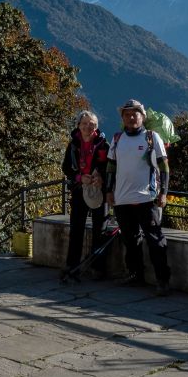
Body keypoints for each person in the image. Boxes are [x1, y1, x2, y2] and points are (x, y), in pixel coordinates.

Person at [106, 99, 171, 296]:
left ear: (143, 117)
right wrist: (109, 191)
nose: (131, 117)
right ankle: (136, 275)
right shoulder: (117, 139)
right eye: (127, 114)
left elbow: (164, 166)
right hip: (122, 199)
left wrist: (164, 193)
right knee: (130, 240)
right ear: (122, 118)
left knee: (155, 240)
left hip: (147, 198)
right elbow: (111, 167)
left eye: (135, 114)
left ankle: (162, 280)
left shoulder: (152, 137)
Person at [60, 110, 110, 281]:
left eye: (92, 124)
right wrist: (80, 178)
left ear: (96, 126)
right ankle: (72, 264)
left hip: (99, 192)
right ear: (78, 125)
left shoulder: (103, 144)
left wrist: (100, 176)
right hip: (79, 190)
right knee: (76, 228)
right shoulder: (73, 145)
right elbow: (66, 168)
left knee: (100, 230)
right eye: (84, 124)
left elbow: (111, 167)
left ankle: (98, 267)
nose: (88, 127)